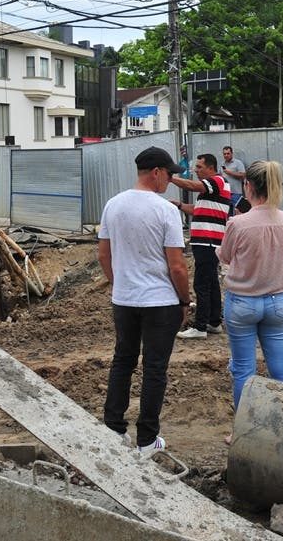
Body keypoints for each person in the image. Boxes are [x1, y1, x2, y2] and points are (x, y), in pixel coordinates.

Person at [99, 146, 191, 454]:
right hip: (160, 302)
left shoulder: (113, 205)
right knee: (154, 368)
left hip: (124, 301)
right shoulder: (165, 210)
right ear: (156, 172)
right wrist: (184, 300)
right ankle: (148, 440)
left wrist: (120, 283)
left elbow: (104, 255)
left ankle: (113, 429)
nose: (170, 180)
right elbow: (177, 266)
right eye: (169, 174)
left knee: (123, 361)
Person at [217, 160, 283, 420]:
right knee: (281, 370)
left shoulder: (237, 223)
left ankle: (243, 431)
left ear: (248, 185)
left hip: (242, 303)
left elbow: (226, 256)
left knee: (243, 370)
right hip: (278, 302)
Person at [170, 152, 232, 339]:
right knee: (211, 282)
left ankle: (200, 327)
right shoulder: (210, 190)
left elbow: (191, 185)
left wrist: (170, 178)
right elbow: (197, 210)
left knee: (201, 283)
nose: (195, 170)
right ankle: (214, 322)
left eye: (199, 167)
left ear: (211, 168)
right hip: (207, 241)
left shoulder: (217, 181)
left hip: (208, 240)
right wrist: (179, 205)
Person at [221, 146, 246, 215]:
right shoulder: (222, 164)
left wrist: (229, 172)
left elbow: (243, 175)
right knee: (227, 214)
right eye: (224, 154)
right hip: (226, 193)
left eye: (228, 153)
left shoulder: (238, 163)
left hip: (236, 193)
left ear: (232, 153)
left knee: (237, 213)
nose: (226, 155)